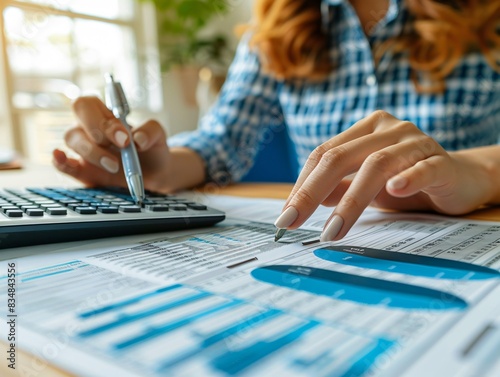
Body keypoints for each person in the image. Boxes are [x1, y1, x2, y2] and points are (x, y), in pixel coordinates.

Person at [52, 0, 500, 242]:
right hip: (341, 246)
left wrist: (480, 171)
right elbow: (219, 143)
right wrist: (158, 167)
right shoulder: (280, 24)